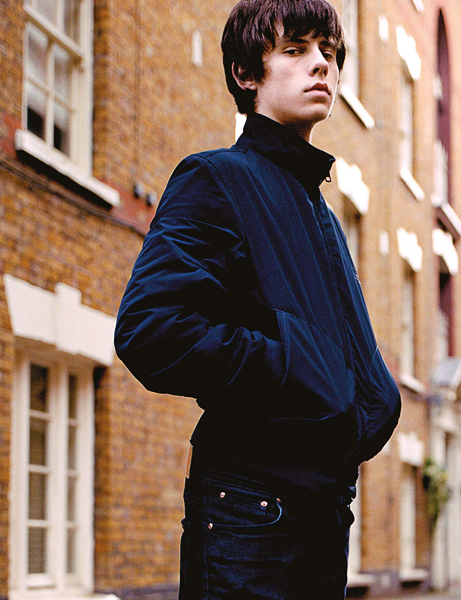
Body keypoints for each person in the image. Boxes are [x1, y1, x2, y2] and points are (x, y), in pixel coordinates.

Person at [114, 0, 401, 597]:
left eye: (328, 52)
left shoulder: (320, 212)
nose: (321, 65)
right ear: (246, 74)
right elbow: (151, 329)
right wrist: (292, 366)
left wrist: (369, 405)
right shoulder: (217, 178)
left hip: (324, 514)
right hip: (251, 514)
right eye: (295, 50)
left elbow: (343, 357)